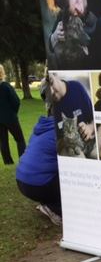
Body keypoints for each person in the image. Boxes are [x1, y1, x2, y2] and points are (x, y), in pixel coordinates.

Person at [15, 79, 62, 225]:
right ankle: (53, 208)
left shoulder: (41, 126)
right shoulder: (59, 131)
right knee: (72, 177)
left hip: (21, 180)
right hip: (38, 184)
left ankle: (47, 202)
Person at [47, 0, 101, 70]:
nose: (80, 9)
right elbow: (50, 45)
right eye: (74, 11)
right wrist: (55, 37)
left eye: (77, 1)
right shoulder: (65, 11)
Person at [49, 72, 95, 154]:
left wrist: (90, 127)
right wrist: (66, 140)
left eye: (51, 82)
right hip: (69, 149)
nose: (51, 91)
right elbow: (51, 143)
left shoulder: (76, 88)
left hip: (89, 143)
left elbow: (95, 117)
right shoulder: (50, 106)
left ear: (56, 75)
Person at [0, 64, 26, 165]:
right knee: (20, 139)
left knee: (3, 141)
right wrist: (13, 113)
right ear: (2, 72)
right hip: (10, 118)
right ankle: (23, 160)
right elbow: (16, 101)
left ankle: (8, 162)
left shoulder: (5, 86)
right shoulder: (6, 86)